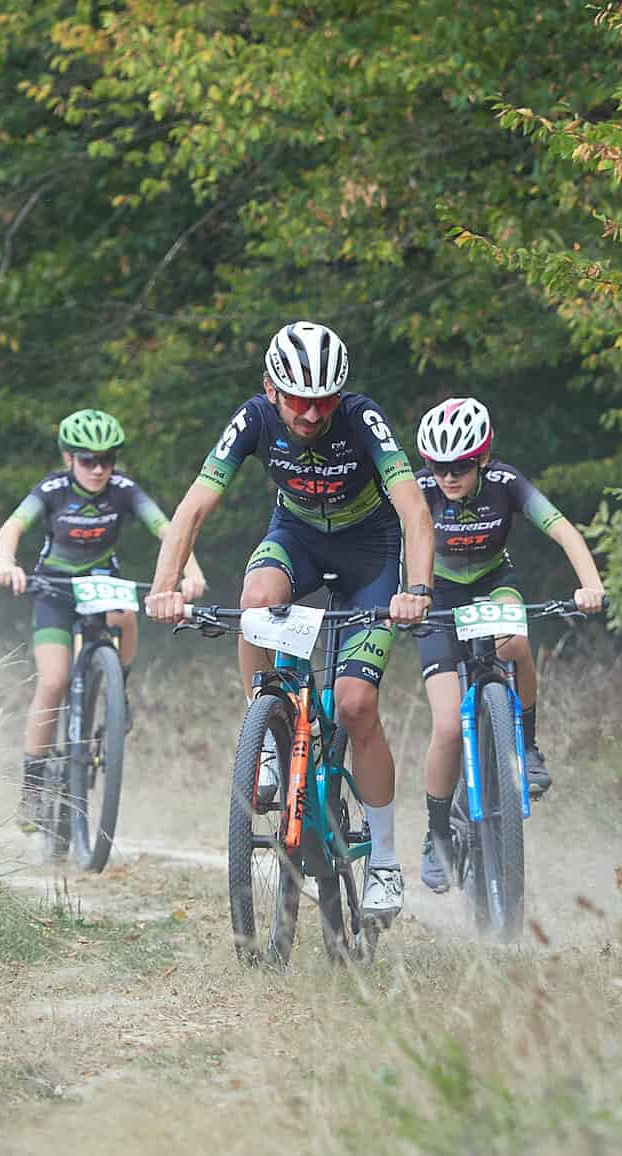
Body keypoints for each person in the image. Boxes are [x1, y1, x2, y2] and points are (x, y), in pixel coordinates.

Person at [145, 321, 433, 920]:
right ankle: (268, 724)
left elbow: (413, 508)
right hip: (297, 538)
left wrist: (417, 589)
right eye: (298, 400)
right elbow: (194, 506)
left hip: (370, 555)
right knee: (256, 601)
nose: (310, 413)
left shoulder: (361, 418)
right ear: (272, 390)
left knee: (355, 706)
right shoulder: (253, 419)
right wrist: (163, 588)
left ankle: (383, 860)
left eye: (323, 400)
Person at [411, 396, 606, 892]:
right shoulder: (417, 490)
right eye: (438, 466)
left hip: (493, 582)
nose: (447, 477)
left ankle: (528, 745)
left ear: (482, 459)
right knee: (448, 726)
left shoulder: (505, 484)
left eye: (459, 466)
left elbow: (563, 530)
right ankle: (437, 836)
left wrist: (590, 585)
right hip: (435, 597)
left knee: (514, 641)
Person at [0, 408, 206, 832]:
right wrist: (6, 562)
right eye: (88, 460)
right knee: (52, 681)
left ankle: (117, 689)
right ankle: (33, 789)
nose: (98, 469)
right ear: (69, 459)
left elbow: (169, 530)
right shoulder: (52, 489)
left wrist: (190, 570)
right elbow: (13, 526)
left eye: (107, 459)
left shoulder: (124, 490)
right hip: (54, 589)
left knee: (127, 614)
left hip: (100, 582)